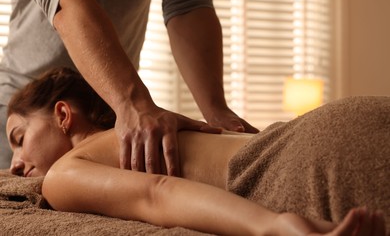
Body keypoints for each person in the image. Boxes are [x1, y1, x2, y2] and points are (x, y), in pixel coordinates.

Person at [5, 67, 389, 235]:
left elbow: (157, 193)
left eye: (19, 138)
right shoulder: (160, 128)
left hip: (310, 162)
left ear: (62, 114)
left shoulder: (64, 175)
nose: (15, 167)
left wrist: (274, 226)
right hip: (341, 120)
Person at [0, 0, 258, 170]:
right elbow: (67, 0)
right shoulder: (26, 151)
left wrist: (216, 110)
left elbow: (188, 1)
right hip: (30, 112)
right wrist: (131, 103)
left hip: (106, 107)